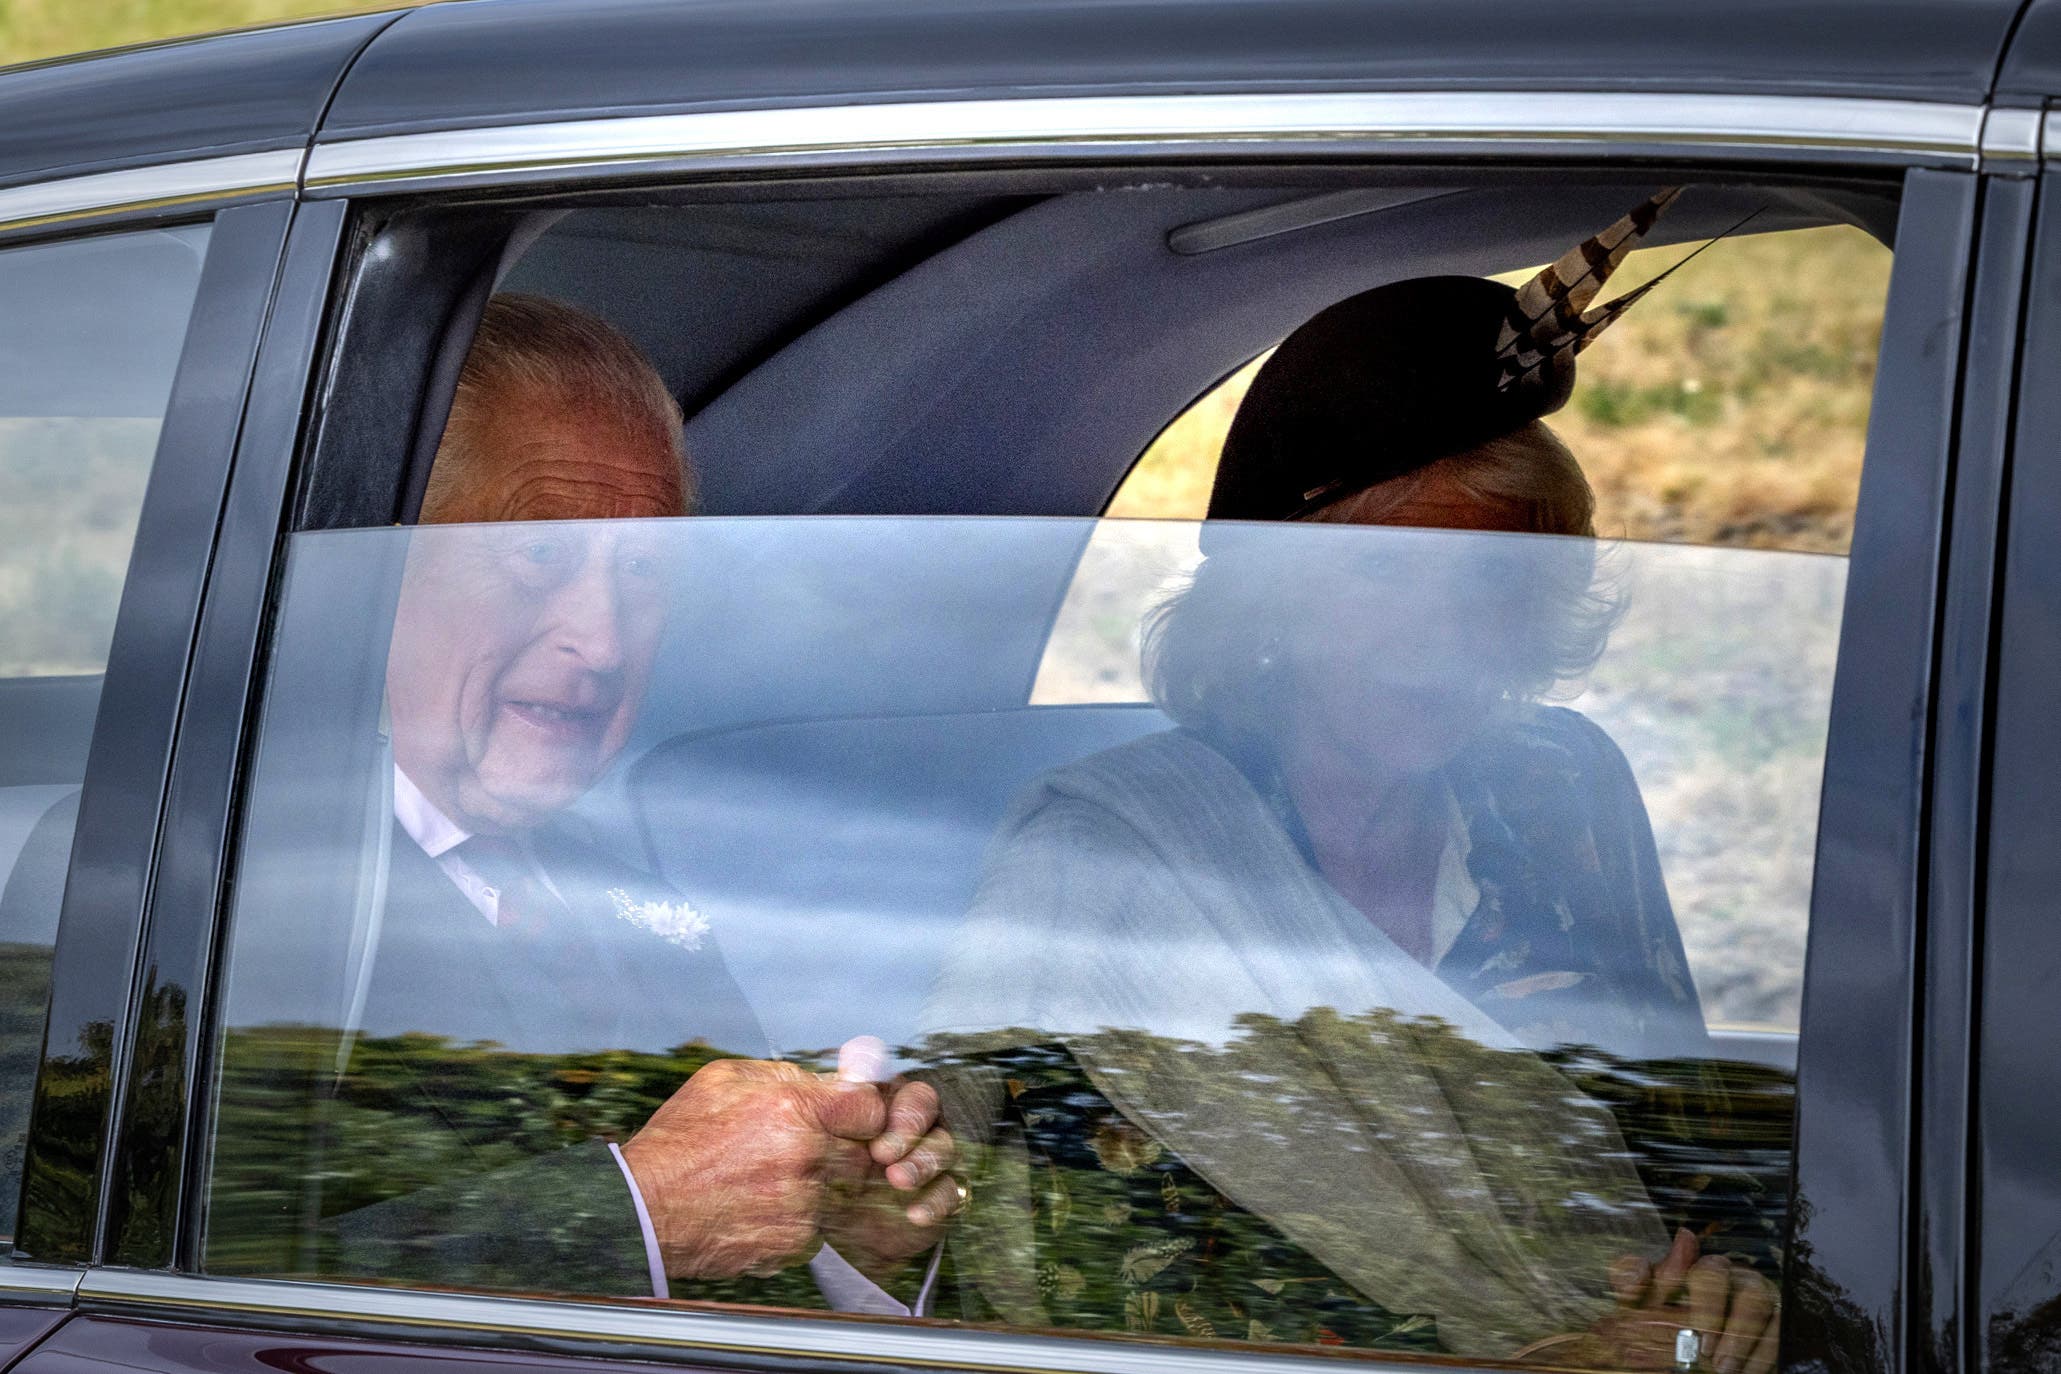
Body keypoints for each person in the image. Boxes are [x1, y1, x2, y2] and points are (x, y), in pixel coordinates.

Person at [920, 190, 1778, 1368]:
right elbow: (1052, 1302)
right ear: (1275, 605)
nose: (1446, 642)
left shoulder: (1560, 792)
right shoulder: (1109, 869)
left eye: (1495, 592)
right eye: (1388, 578)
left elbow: (1699, 1157)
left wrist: (1738, 1292)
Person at [325, 294, 962, 1308]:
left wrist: (847, 1233)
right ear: (380, 570)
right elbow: (130, 1299)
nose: (604, 639)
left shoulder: (624, 899)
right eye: (539, 554)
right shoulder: (179, 882)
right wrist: (638, 1217)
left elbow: (744, 1246)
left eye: (645, 574)